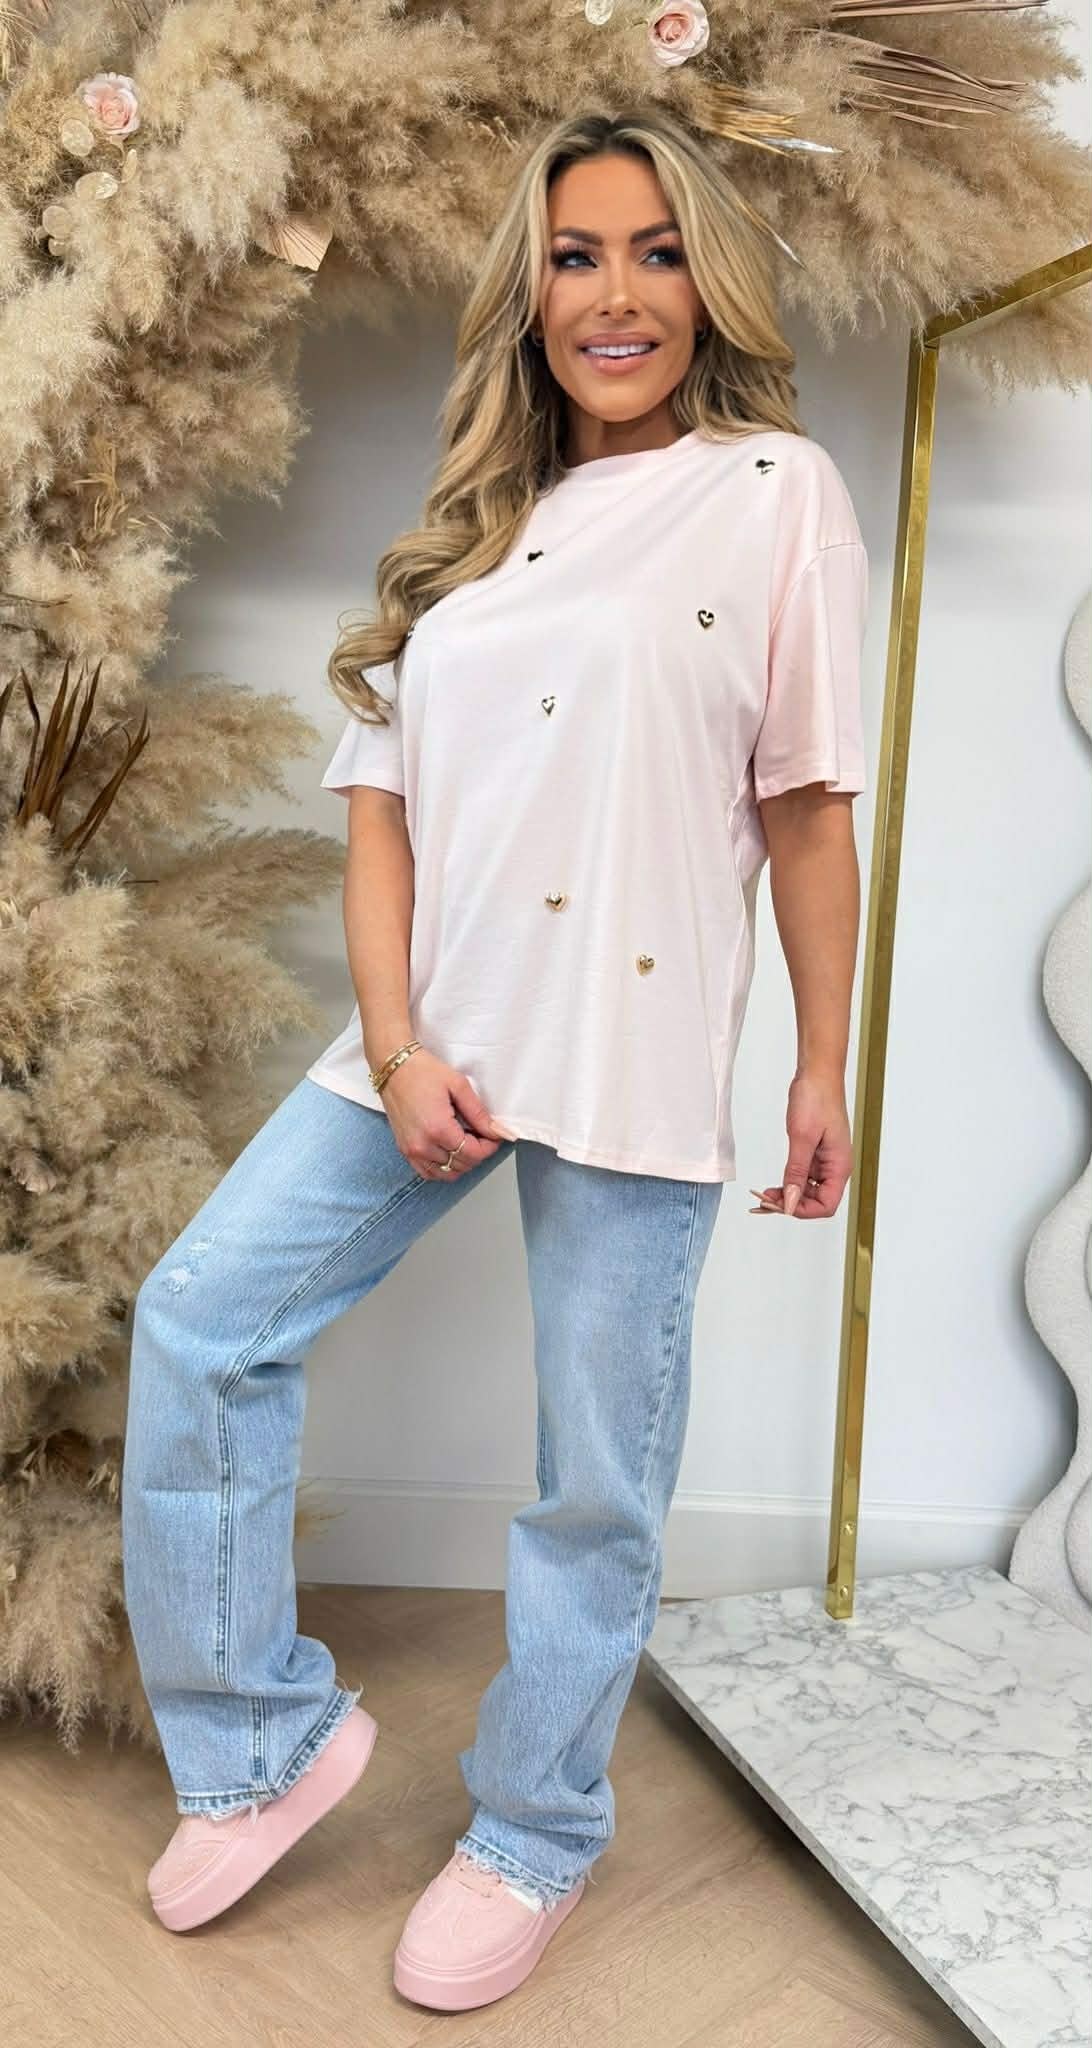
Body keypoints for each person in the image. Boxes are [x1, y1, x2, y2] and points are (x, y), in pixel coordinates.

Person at [121, 106, 869, 2013]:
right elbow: (380, 820)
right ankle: (260, 1744)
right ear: (527, 296)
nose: (618, 295)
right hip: (433, 1040)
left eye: (657, 252)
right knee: (204, 1322)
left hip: (636, 1041)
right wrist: (396, 1045)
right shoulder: (469, 530)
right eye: (575, 256)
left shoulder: (775, 491)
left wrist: (820, 1064)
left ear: (710, 282)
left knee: (595, 1480)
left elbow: (806, 809)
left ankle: (534, 1827)